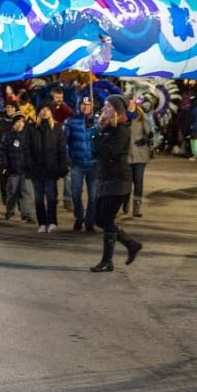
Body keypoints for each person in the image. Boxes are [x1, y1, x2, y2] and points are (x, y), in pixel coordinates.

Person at [88, 96, 143, 272]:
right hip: (105, 178)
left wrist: (98, 135)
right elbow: (96, 153)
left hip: (118, 181)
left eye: (109, 106)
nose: (105, 108)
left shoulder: (121, 130)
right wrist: (98, 131)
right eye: (104, 104)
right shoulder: (107, 128)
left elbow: (110, 152)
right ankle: (131, 243)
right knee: (99, 219)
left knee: (107, 219)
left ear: (117, 110)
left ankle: (107, 261)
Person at [28, 105, 69, 232]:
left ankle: (52, 221)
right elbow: (27, 149)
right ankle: (42, 223)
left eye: (47, 109)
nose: (45, 111)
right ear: (38, 112)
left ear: (51, 112)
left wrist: (62, 166)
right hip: (37, 169)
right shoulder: (32, 129)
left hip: (51, 169)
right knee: (39, 198)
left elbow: (61, 149)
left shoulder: (56, 129)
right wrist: (29, 166)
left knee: (51, 197)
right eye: (42, 109)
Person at [65, 96, 98, 232]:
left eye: (88, 104)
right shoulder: (72, 121)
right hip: (77, 163)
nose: (86, 107)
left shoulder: (96, 121)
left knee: (94, 195)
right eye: (83, 104)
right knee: (75, 192)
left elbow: (101, 140)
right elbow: (66, 141)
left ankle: (90, 221)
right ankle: (79, 217)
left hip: (93, 163)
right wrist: (68, 156)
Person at [0, 113, 32, 221]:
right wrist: (5, 166)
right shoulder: (8, 136)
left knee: (25, 191)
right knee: (11, 191)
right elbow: (2, 152)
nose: (20, 124)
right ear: (14, 123)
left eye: (22, 121)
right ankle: (9, 210)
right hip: (12, 169)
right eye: (18, 122)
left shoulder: (28, 136)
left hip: (25, 170)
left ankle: (26, 214)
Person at [125, 98, 154, 217]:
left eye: (132, 102)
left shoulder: (142, 117)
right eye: (128, 102)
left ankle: (136, 208)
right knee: (126, 182)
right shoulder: (123, 117)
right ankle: (124, 202)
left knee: (138, 181)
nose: (131, 104)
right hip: (126, 155)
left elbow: (149, 133)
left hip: (140, 155)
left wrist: (146, 138)